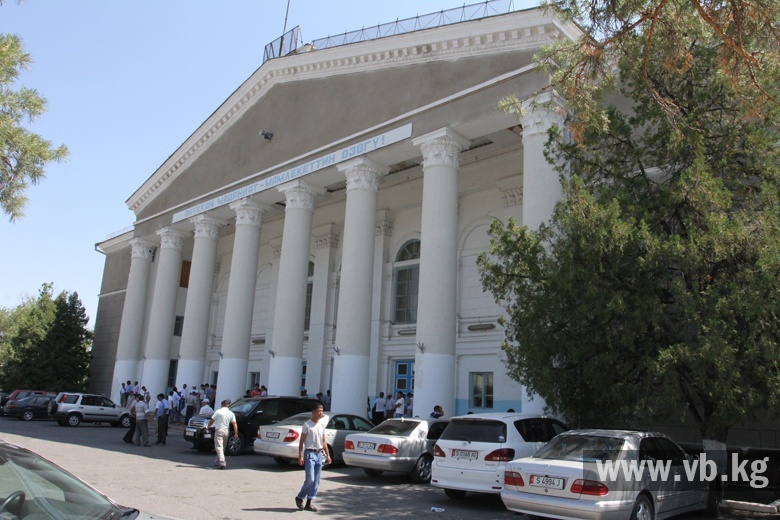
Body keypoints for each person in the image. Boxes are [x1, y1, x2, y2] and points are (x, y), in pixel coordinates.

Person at [295, 403, 331, 511]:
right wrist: (300, 455)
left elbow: (324, 441)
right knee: (310, 479)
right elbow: (301, 441)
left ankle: (309, 503)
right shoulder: (307, 425)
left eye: (322, 411)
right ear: (313, 412)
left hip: (319, 454)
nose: (321, 413)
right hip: (309, 453)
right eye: (319, 411)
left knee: (316, 480)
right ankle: (300, 497)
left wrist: (328, 455)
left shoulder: (321, 426)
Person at [206, 399, 238, 469]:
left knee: (218, 447)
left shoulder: (218, 411)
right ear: (228, 405)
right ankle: (217, 461)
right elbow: (234, 423)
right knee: (222, 447)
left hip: (219, 430)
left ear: (222, 405)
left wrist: (208, 427)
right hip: (226, 431)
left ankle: (222, 461)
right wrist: (236, 433)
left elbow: (212, 420)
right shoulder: (231, 413)